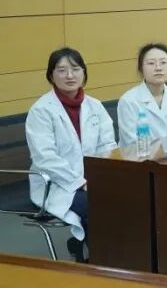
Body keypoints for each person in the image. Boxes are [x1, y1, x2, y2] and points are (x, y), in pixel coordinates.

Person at [26, 47, 117, 262]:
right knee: (96, 204)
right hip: (55, 184)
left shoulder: (95, 106)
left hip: (93, 178)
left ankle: (113, 252)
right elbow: (45, 158)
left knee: (128, 196)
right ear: (51, 76)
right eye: (61, 70)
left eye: (75, 69)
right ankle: (99, 260)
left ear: (84, 73)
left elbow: (108, 145)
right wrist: (80, 182)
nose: (69, 75)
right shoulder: (41, 110)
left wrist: (103, 176)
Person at [117, 43, 167, 147]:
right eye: (151, 63)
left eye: (163, 62)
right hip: (139, 155)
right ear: (141, 68)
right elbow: (131, 143)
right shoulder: (128, 101)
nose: (158, 68)